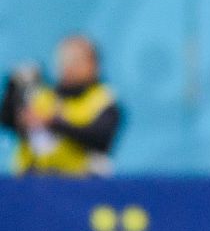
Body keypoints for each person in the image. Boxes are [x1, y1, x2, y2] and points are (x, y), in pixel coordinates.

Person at [0, 35, 120, 176]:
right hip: (30, 180)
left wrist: (52, 122)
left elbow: (99, 138)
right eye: (64, 60)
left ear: (93, 64)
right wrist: (12, 88)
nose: (69, 66)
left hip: (80, 182)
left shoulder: (103, 99)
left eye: (76, 60)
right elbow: (9, 121)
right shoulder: (43, 96)